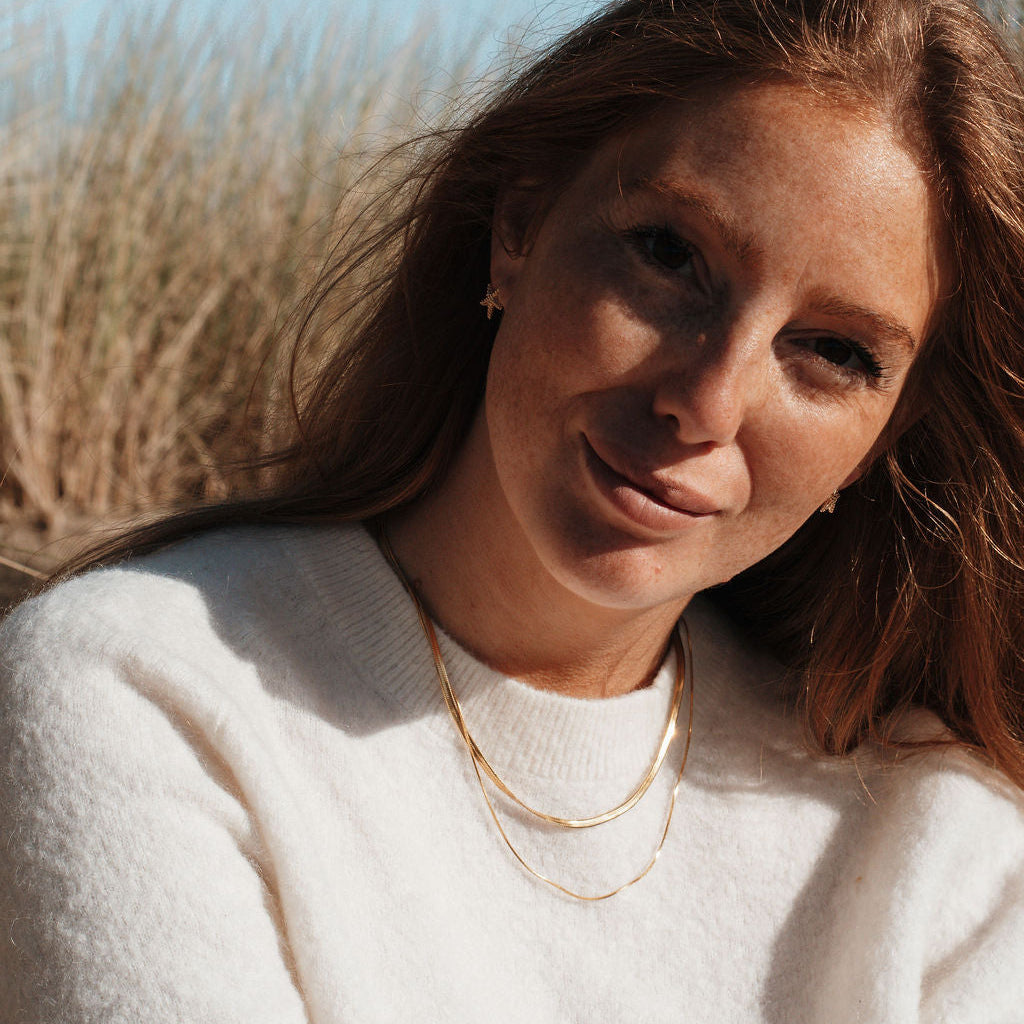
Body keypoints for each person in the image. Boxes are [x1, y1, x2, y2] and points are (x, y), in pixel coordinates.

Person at [3, 0, 1024, 1020]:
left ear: (884, 434)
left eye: (834, 353)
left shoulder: (944, 856)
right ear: (519, 225)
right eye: (668, 256)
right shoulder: (147, 696)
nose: (706, 402)